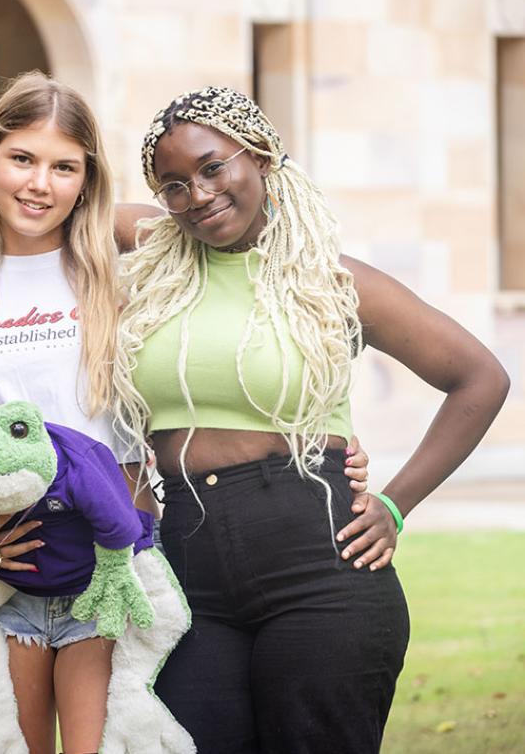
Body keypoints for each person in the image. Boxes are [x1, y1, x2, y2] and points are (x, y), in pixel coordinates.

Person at [0, 74, 370, 754]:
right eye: (22, 159)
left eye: (65, 167)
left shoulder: (122, 270)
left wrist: (333, 431)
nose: (40, 184)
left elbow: (241, 272)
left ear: (88, 179)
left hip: (110, 567)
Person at [111, 86, 509, 753]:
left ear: (262, 156)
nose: (199, 195)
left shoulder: (332, 280)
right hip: (186, 572)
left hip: (318, 568)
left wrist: (394, 504)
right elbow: (53, 203)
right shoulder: (162, 262)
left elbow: (480, 378)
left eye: (213, 167)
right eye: (174, 184)